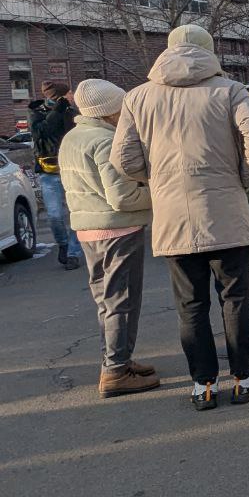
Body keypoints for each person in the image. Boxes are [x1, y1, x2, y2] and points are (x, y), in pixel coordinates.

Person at [111, 25, 249, 411]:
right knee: (234, 299)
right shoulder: (230, 89)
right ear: (209, 51)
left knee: (190, 305)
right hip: (225, 213)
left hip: (173, 217)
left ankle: (202, 384)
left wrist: (156, 180)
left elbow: (122, 159)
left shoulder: (138, 97)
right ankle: (243, 376)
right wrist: (244, 178)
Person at [59, 79, 158, 398]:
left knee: (108, 300)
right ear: (110, 112)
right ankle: (116, 370)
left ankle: (119, 361)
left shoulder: (73, 138)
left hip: (89, 229)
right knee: (122, 300)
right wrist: (156, 192)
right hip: (118, 229)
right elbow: (123, 198)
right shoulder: (105, 142)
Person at [30, 80, 82, 270]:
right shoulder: (36, 113)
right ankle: (63, 244)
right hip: (49, 173)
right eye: (69, 93)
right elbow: (42, 132)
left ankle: (73, 252)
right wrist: (57, 111)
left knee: (77, 213)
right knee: (54, 215)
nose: (72, 96)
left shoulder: (71, 113)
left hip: (72, 170)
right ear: (60, 96)